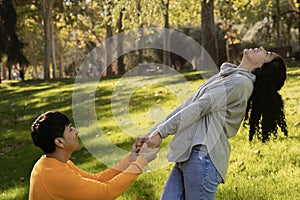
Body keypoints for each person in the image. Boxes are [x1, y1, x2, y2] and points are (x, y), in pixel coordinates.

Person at [138, 47, 288, 199]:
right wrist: (153, 133)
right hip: (188, 153)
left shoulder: (240, 83)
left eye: (267, 54)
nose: (261, 48)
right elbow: (188, 105)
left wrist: (161, 133)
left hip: (203, 157)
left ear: (263, 67)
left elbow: (199, 107)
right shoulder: (227, 76)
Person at [29, 111, 159, 200]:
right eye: (70, 129)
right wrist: (142, 161)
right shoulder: (54, 175)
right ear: (59, 142)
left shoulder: (54, 164)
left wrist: (131, 158)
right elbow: (106, 193)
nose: (76, 131)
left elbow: (98, 179)